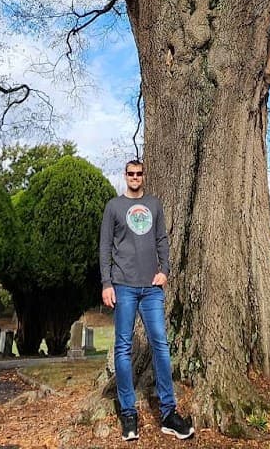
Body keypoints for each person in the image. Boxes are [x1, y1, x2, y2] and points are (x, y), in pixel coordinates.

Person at [99, 159, 195, 440]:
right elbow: (104, 247)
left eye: (139, 173)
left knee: (161, 346)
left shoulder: (154, 204)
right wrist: (107, 283)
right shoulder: (114, 207)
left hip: (152, 288)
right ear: (125, 176)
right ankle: (129, 414)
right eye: (130, 174)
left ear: (143, 176)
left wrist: (165, 270)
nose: (135, 177)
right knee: (123, 348)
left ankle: (169, 414)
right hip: (123, 286)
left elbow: (162, 239)